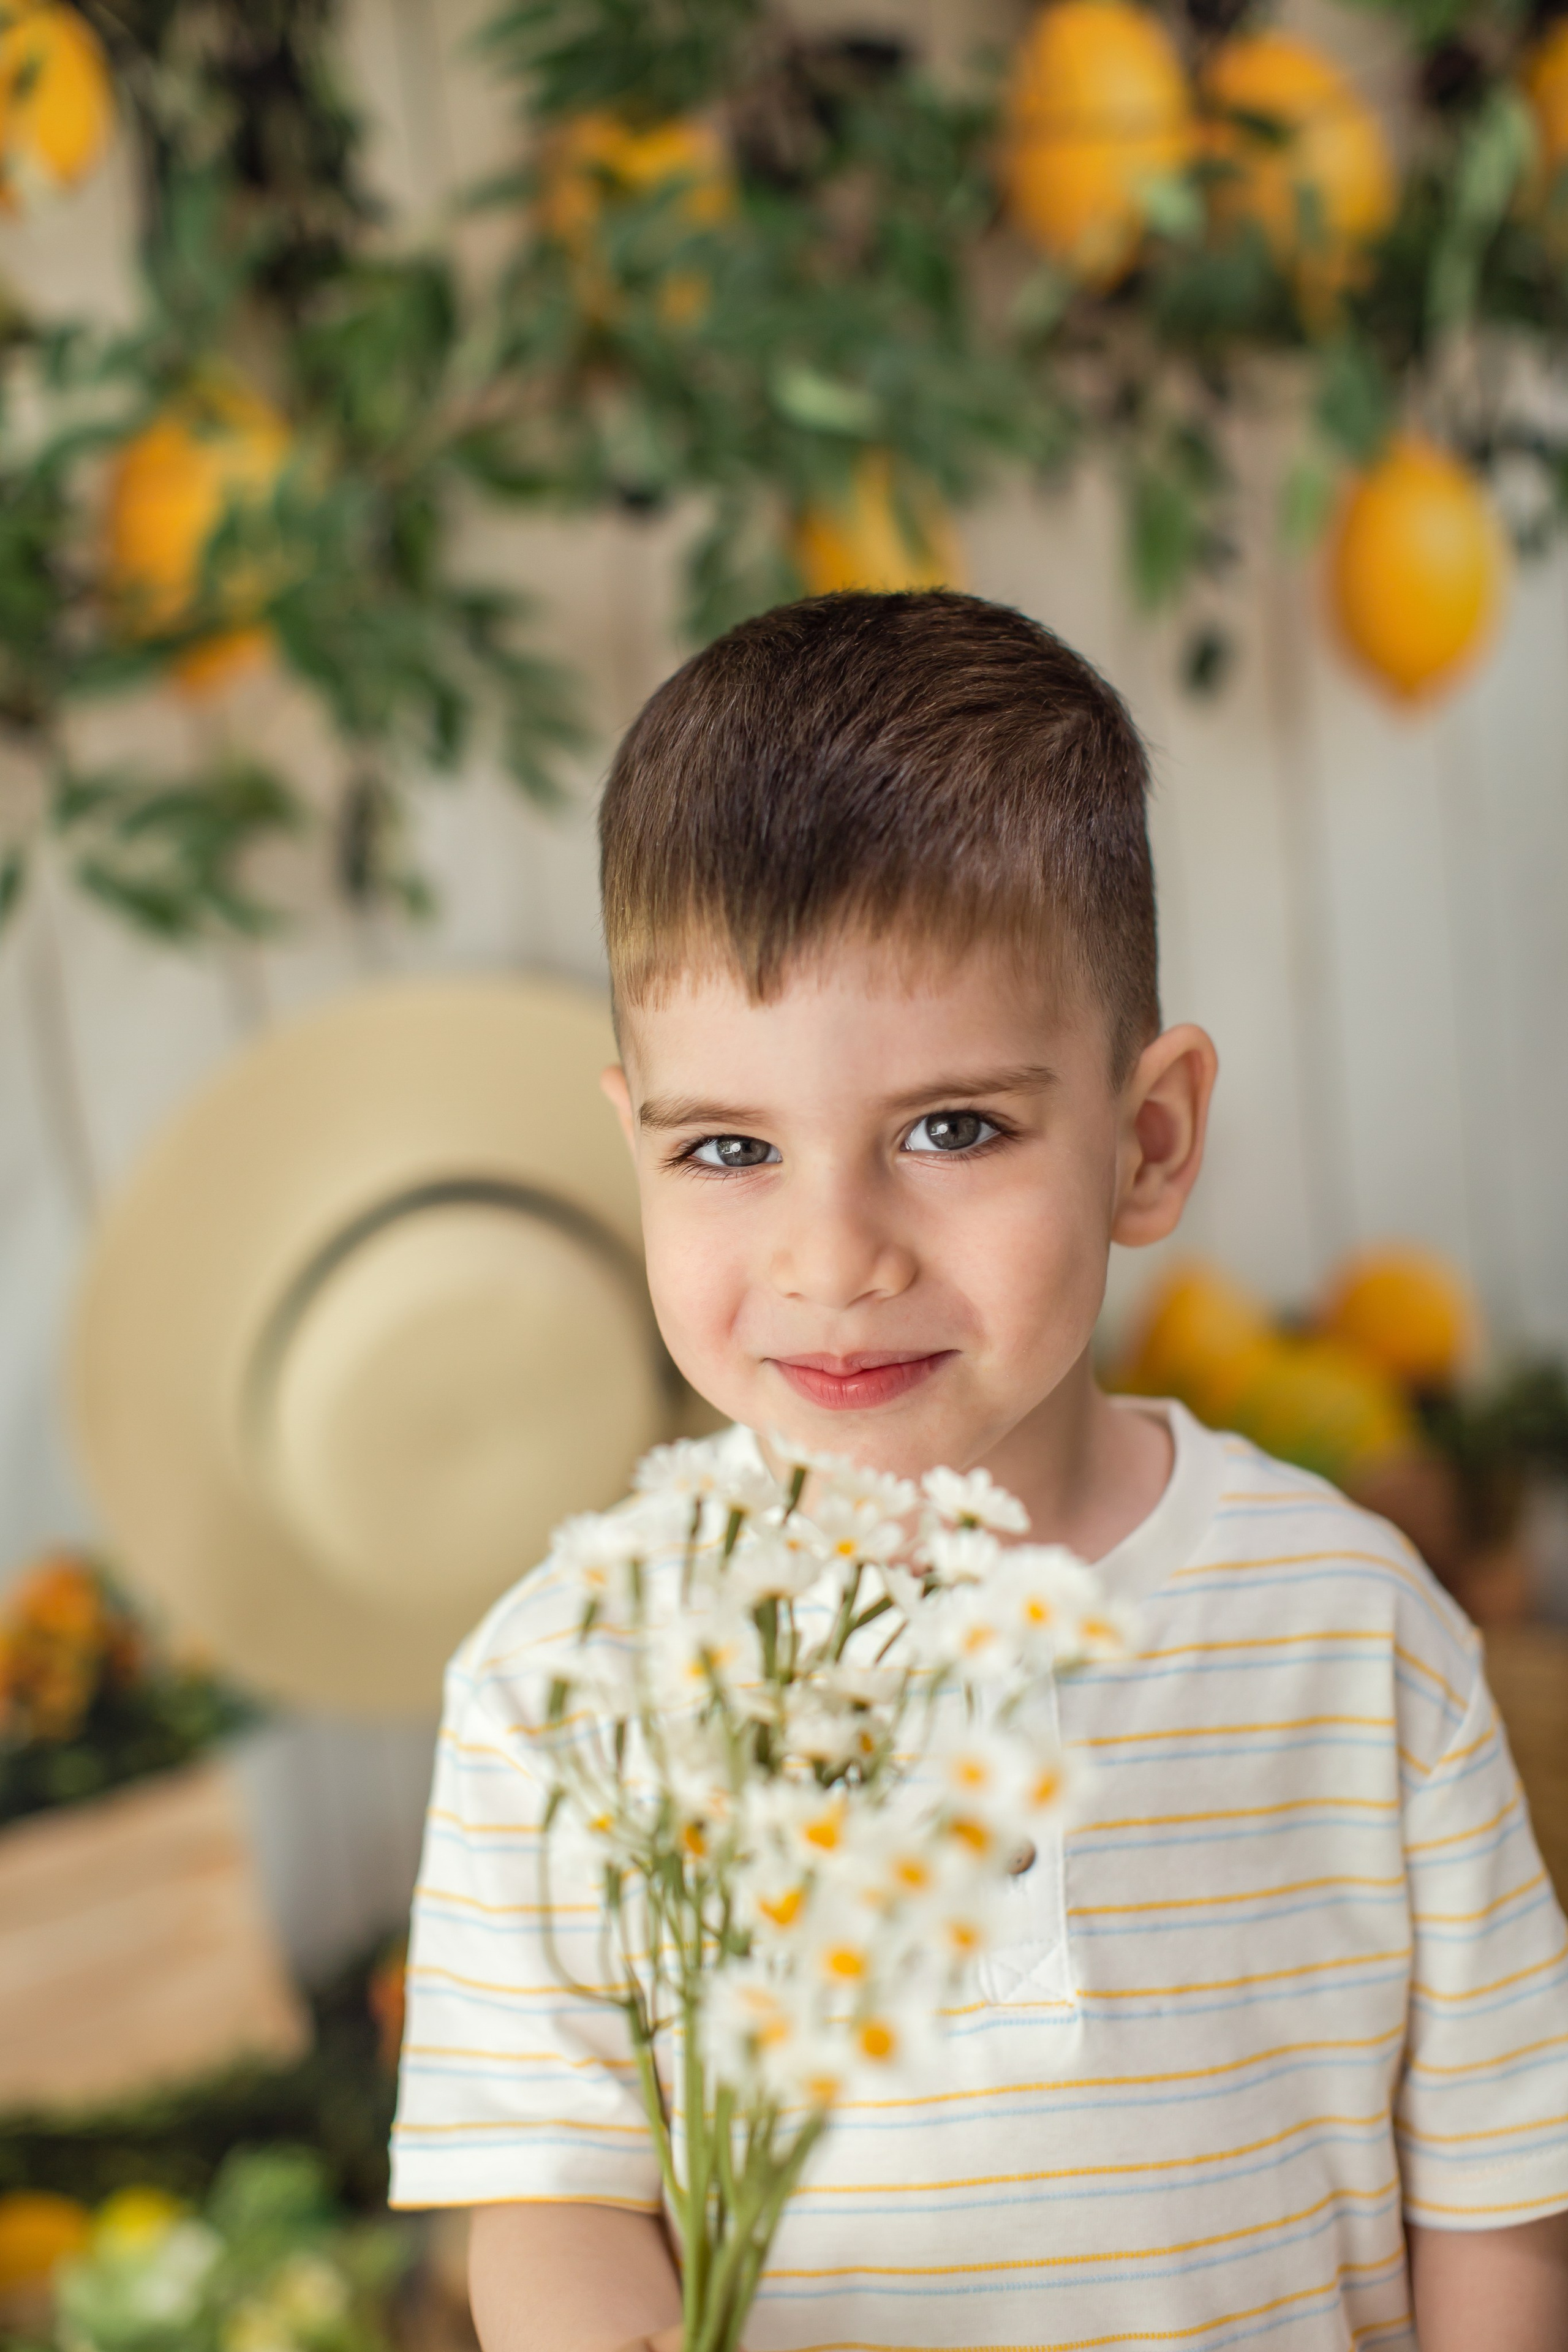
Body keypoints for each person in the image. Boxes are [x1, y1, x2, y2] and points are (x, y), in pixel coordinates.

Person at [390, 592, 1568, 2350]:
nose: (835, 1256)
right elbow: (552, 2202)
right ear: (635, 1143)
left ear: (1146, 1140)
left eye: (951, 1130)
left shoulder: (1355, 1636)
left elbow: (1498, 2195)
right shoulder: (562, 1687)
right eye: (728, 1150)